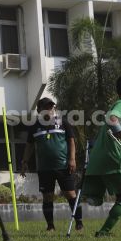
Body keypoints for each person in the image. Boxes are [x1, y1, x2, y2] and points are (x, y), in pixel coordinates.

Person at [83, 74, 121, 237]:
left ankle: (93, 195)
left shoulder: (120, 104)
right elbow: (112, 118)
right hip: (113, 159)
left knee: (96, 199)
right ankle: (103, 232)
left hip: (97, 160)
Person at [21, 97, 82, 232]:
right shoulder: (34, 127)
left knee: (71, 194)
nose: (49, 110)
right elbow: (29, 146)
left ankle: (79, 223)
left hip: (63, 166)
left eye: (51, 107)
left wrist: (72, 159)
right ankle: (50, 226)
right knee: (47, 196)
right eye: (46, 108)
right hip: (44, 168)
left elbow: (71, 141)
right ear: (39, 110)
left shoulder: (63, 123)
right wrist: (24, 162)